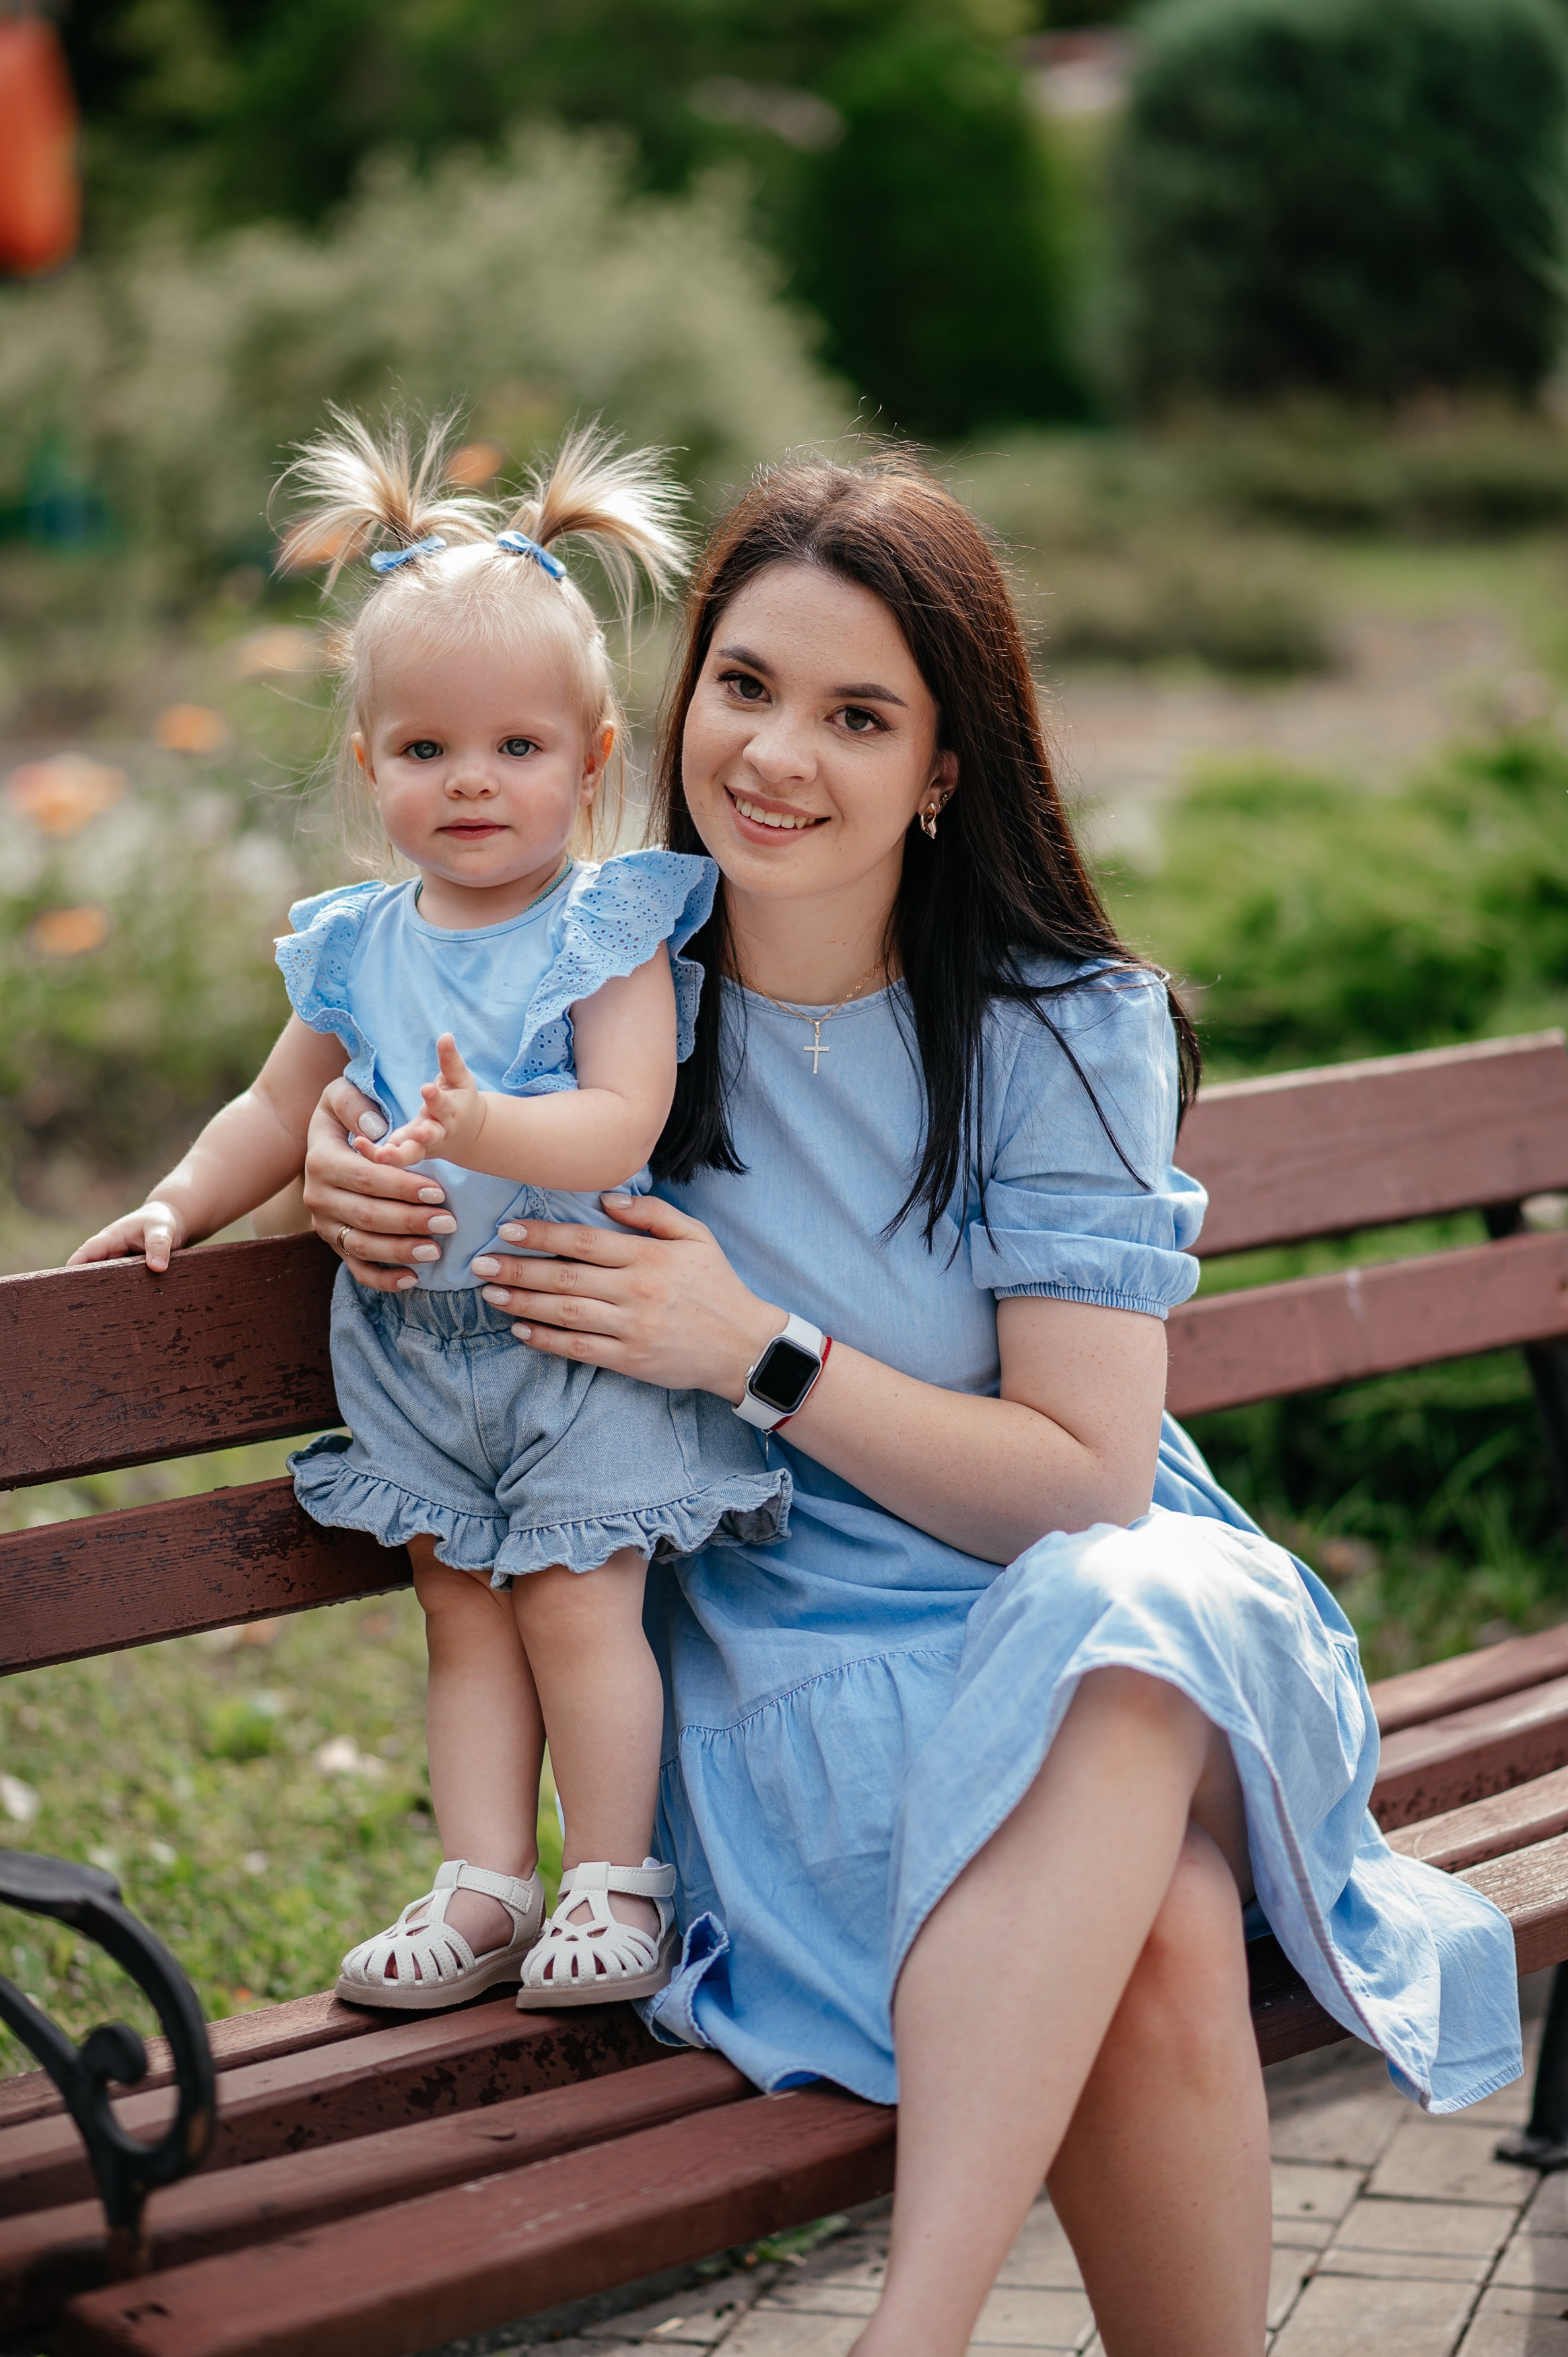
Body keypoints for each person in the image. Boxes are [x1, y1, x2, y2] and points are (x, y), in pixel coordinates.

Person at [293, 449, 1519, 2357]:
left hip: (1088, 1611)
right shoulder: (598, 991)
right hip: (805, 1681)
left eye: (859, 714)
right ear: (679, 698)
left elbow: (1084, 1487)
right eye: (748, 686)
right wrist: (346, 1161)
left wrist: (749, 1347)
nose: (779, 754)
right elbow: (397, 1077)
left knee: (1128, 1620)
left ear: (945, 768)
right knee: (1168, 1937)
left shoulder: (1055, 1025)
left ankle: (904, 2338)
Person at [69, 414, 792, 2018]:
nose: (472, 781)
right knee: (460, 1615)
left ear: (591, 759)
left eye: (518, 749)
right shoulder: (357, 948)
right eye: (426, 750)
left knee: (577, 1603)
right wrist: (177, 1198)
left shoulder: (603, 928)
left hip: (568, 1330)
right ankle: (482, 1883)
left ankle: (613, 1878)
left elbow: (626, 1117)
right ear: (370, 763)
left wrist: (485, 1126)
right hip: (410, 1351)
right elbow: (273, 1109)